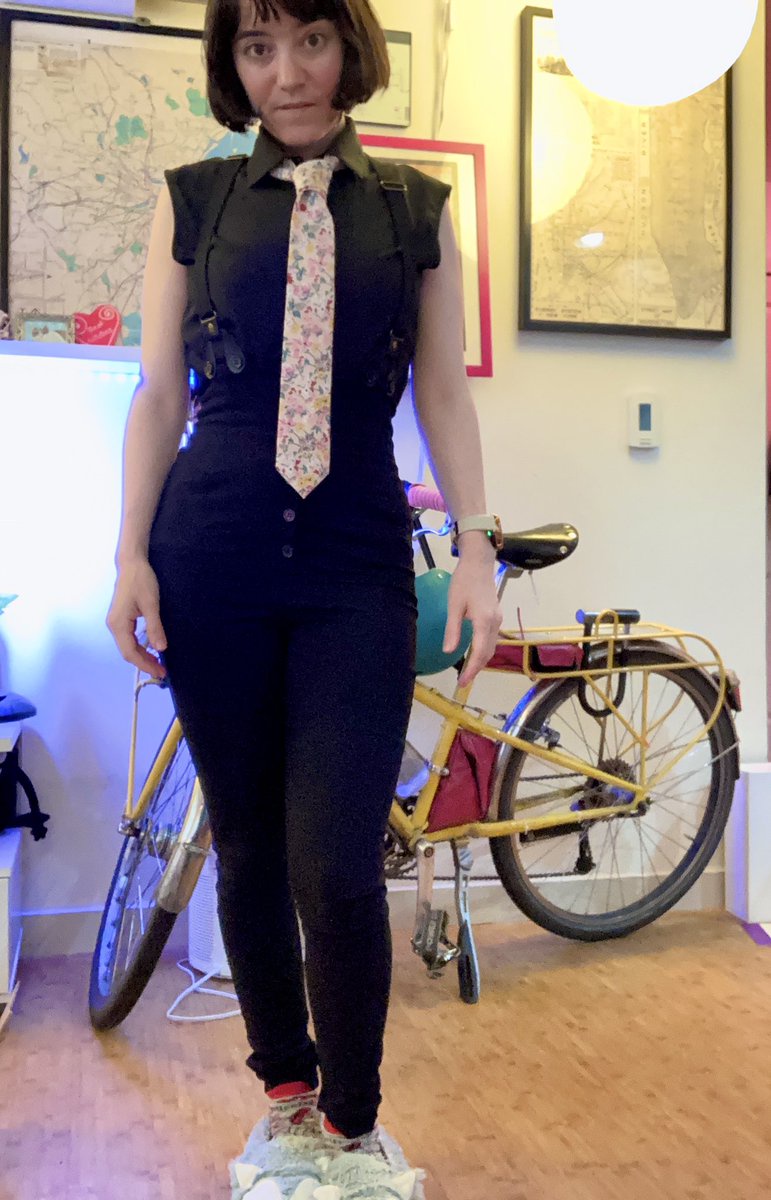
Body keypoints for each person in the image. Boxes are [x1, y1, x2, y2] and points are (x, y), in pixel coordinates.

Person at [107, 0, 502, 1194]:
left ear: (350, 47)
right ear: (233, 62)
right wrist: (129, 556)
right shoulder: (193, 200)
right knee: (246, 845)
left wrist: (475, 547)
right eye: (257, 47)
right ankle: (285, 1096)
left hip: (356, 566)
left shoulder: (415, 212)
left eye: (312, 40)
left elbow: (443, 391)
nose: (287, 73)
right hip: (212, 554)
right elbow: (157, 395)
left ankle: (354, 1123)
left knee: (334, 864)